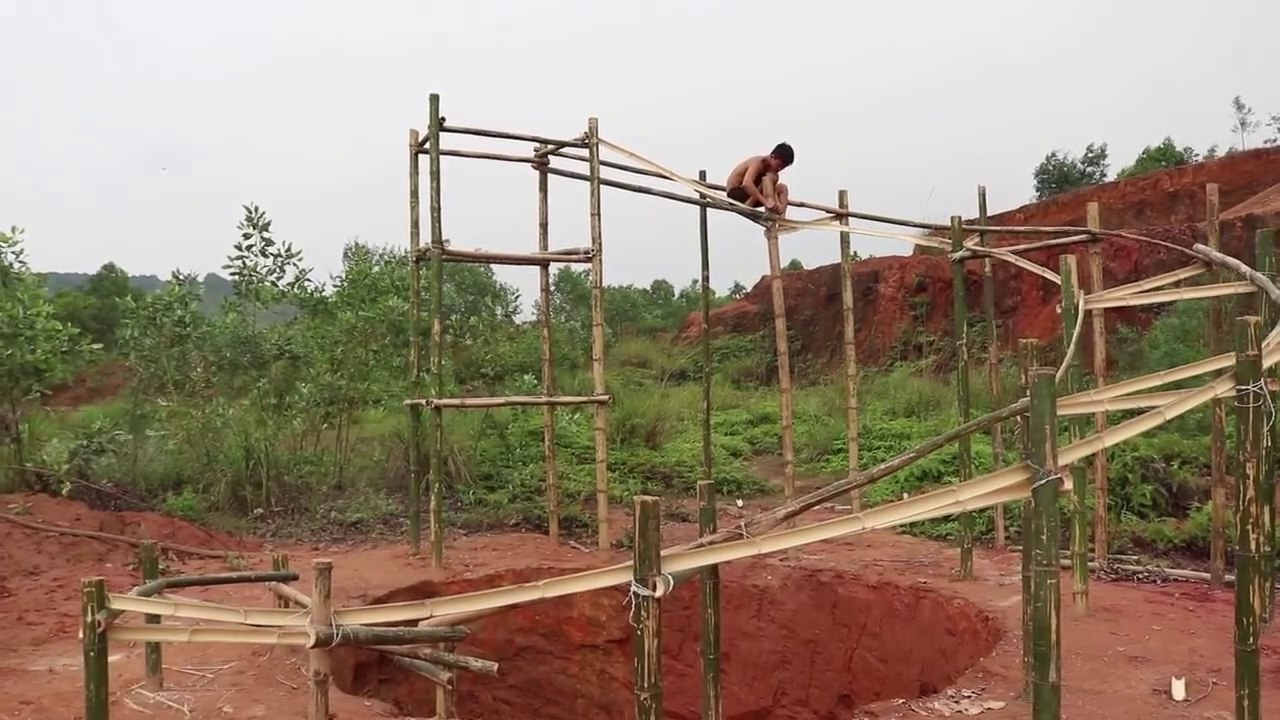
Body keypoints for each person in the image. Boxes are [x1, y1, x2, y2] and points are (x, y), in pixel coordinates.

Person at [725, 142, 794, 216]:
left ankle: (781, 221)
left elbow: (772, 191)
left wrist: (777, 205)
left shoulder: (772, 173)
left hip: (752, 196)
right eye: (779, 165)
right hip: (735, 194)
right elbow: (746, 184)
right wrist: (765, 202)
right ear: (773, 157)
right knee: (770, 177)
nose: (779, 169)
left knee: (782, 188)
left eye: (783, 168)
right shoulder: (758, 162)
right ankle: (749, 205)